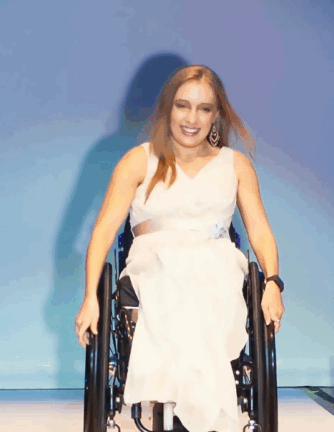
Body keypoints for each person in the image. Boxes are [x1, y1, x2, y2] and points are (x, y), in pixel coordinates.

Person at [74, 65, 285, 432]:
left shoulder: (235, 166)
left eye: (204, 108)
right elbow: (104, 231)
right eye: (183, 105)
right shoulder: (138, 160)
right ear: (167, 109)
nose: (192, 118)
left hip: (216, 265)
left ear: (217, 114)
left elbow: (261, 231)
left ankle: (189, 412)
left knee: (207, 281)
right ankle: (194, 414)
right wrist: (90, 297)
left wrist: (272, 282)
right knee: (174, 284)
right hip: (152, 265)